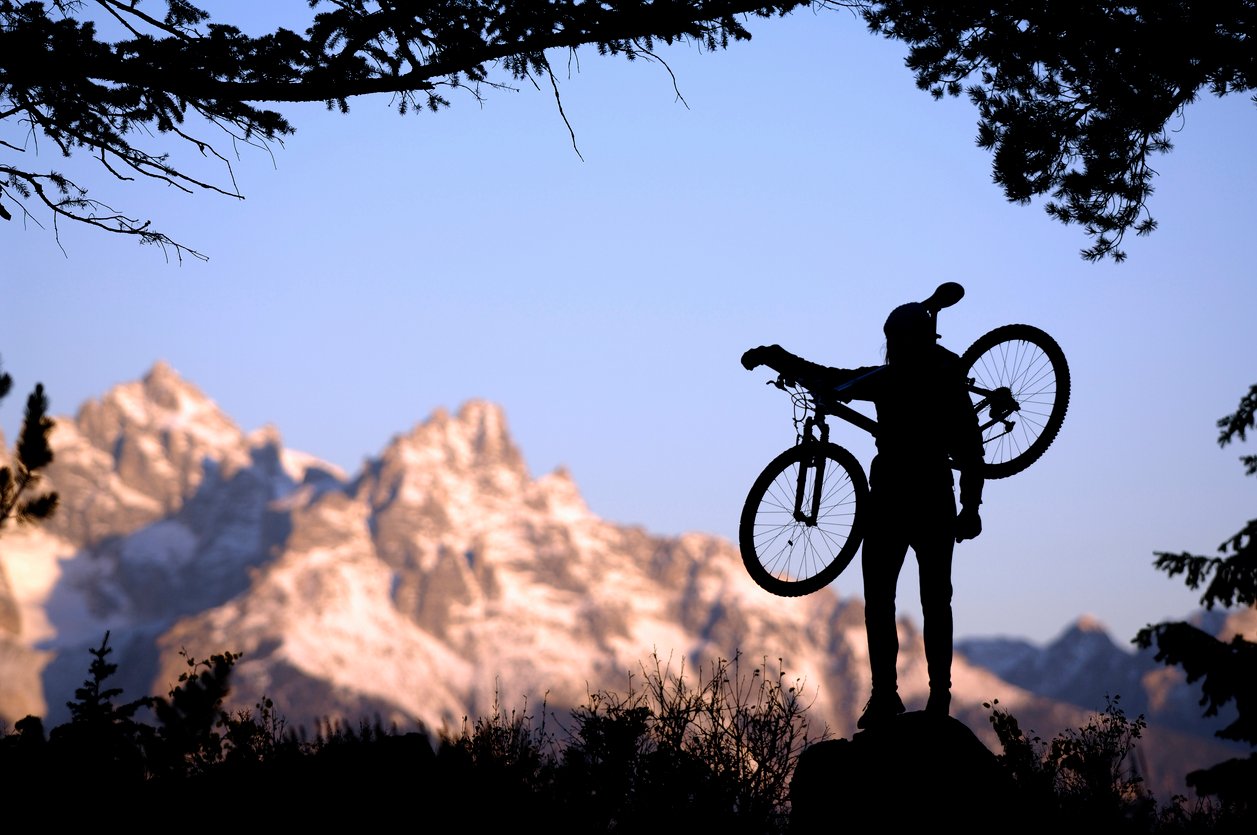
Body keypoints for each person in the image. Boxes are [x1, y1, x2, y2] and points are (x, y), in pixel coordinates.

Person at [740, 300, 984, 729]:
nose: (897, 347)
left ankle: (937, 696)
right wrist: (775, 357)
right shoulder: (887, 380)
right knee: (885, 602)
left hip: (924, 499)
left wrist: (971, 506)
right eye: (894, 340)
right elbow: (833, 380)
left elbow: (969, 446)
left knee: (931, 600)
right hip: (892, 501)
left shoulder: (942, 379)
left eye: (902, 338)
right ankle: (886, 695)